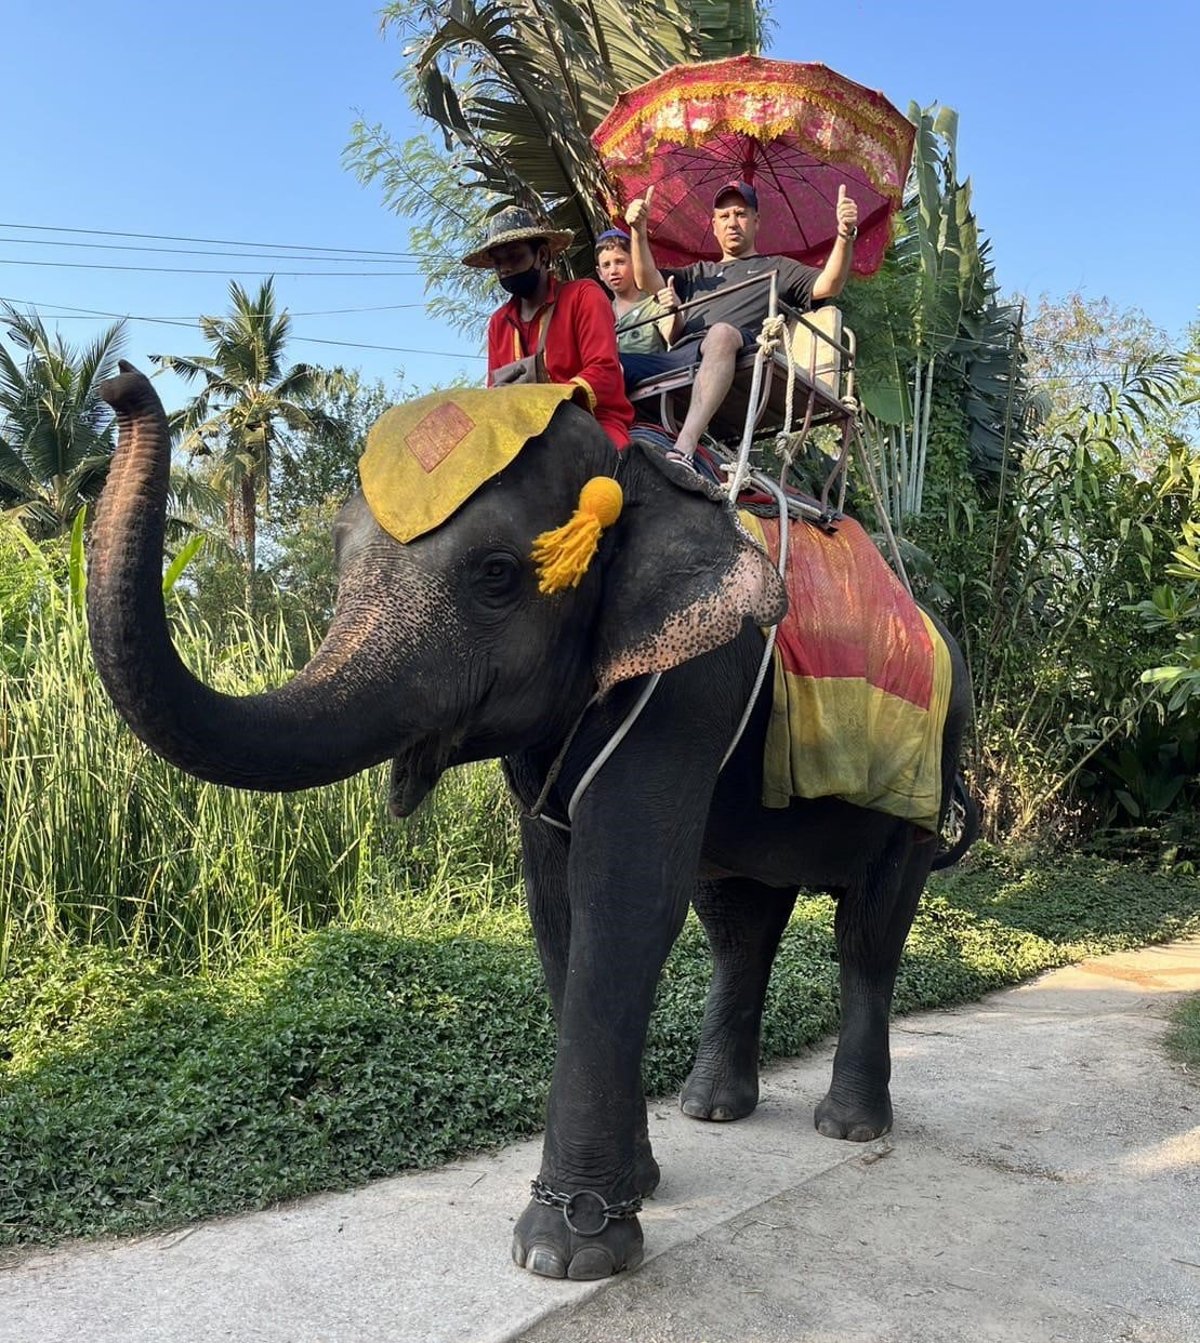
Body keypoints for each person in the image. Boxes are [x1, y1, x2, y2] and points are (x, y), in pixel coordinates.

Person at [622, 179, 859, 464]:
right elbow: (646, 280)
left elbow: (828, 285)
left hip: (735, 350)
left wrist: (845, 236)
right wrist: (638, 232)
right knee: (608, 360)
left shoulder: (777, 267)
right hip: (681, 356)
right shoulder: (699, 273)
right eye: (724, 216)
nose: (732, 222)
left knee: (721, 334)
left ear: (756, 221)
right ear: (714, 225)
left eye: (741, 214)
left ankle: (684, 448)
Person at [462, 207, 635, 450]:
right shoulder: (498, 323)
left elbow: (604, 371)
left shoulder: (583, 295)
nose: (505, 269)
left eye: (515, 257)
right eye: (498, 262)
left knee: (605, 487)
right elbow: (495, 395)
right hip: (526, 439)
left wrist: (543, 406)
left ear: (542, 255)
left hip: (595, 423)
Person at [593, 227, 682, 355]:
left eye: (620, 262)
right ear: (600, 273)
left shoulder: (653, 302)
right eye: (606, 265)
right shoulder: (602, 315)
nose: (613, 271)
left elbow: (672, 336)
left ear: (635, 263)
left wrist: (675, 310)